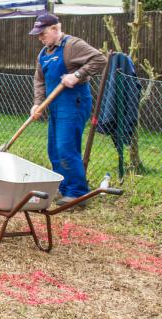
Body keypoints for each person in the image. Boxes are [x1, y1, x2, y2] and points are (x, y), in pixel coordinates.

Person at [29, 14, 106, 206]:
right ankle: (63, 188)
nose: (40, 38)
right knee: (54, 150)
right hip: (55, 106)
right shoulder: (44, 53)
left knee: (66, 148)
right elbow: (39, 80)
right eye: (38, 35)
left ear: (56, 29)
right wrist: (38, 103)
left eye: (43, 33)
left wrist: (77, 75)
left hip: (74, 103)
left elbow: (100, 59)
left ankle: (77, 193)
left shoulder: (72, 45)